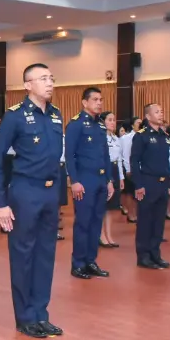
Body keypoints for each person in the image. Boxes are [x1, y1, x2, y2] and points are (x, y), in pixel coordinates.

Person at [0, 63, 64, 339]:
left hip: (49, 192)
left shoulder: (55, 115)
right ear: (27, 85)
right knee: (23, 255)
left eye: (51, 78)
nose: (50, 83)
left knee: (45, 255)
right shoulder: (15, 116)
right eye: (43, 78)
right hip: (25, 191)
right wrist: (1, 202)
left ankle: (41, 314)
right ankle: (25, 317)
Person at [65, 87, 114, 280]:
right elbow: (70, 155)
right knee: (83, 223)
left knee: (96, 222)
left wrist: (109, 180)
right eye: (95, 99)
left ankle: (90, 261)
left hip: (101, 180)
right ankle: (78, 264)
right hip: (85, 181)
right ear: (85, 102)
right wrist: (74, 181)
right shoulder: (76, 124)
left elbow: (105, 155)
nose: (99, 103)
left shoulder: (100, 126)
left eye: (101, 99)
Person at [130, 104, 170, 270]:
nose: (161, 114)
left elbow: (166, 162)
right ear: (148, 116)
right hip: (148, 183)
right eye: (157, 112)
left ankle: (155, 254)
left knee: (159, 221)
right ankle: (144, 256)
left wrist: (168, 183)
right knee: (145, 221)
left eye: (162, 111)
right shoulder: (142, 136)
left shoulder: (164, 136)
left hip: (162, 183)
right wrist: (138, 184)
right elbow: (134, 161)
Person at [100, 111, 123, 248]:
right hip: (104, 170)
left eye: (114, 120)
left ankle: (109, 234)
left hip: (114, 170)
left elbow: (119, 159)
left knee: (111, 208)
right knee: (103, 205)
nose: (113, 122)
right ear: (103, 122)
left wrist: (121, 177)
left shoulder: (116, 139)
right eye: (109, 120)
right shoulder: (101, 137)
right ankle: (101, 235)